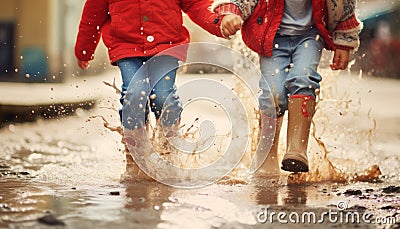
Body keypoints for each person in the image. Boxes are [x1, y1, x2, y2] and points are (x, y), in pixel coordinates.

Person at [213, 0, 362, 173]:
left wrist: (344, 41)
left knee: (304, 79)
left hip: (310, 36)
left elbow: (343, 4)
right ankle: (267, 154)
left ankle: (297, 148)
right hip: (273, 36)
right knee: (273, 95)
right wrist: (232, 12)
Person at [74, 0, 225, 152]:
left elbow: (195, 4)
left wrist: (218, 22)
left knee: (163, 95)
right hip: (126, 47)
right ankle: (136, 152)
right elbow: (92, 17)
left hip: (166, 44)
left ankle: (169, 146)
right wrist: (84, 50)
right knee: (135, 93)